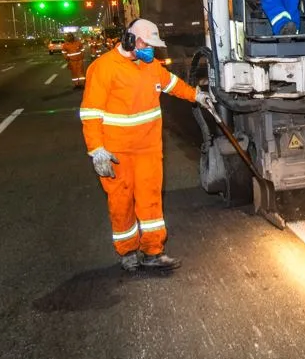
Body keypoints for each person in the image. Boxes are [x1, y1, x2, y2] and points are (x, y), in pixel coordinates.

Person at [79, 18, 213, 272]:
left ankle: (153, 252)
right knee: (121, 202)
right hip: (116, 153)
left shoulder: (151, 67)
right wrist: (96, 149)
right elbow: (90, 113)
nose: (151, 49)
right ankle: (127, 252)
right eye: (146, 44)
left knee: (150, 200)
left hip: (149, 150)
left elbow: (172, 85)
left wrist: (197, 95)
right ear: (130, 40)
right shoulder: (103, 68)